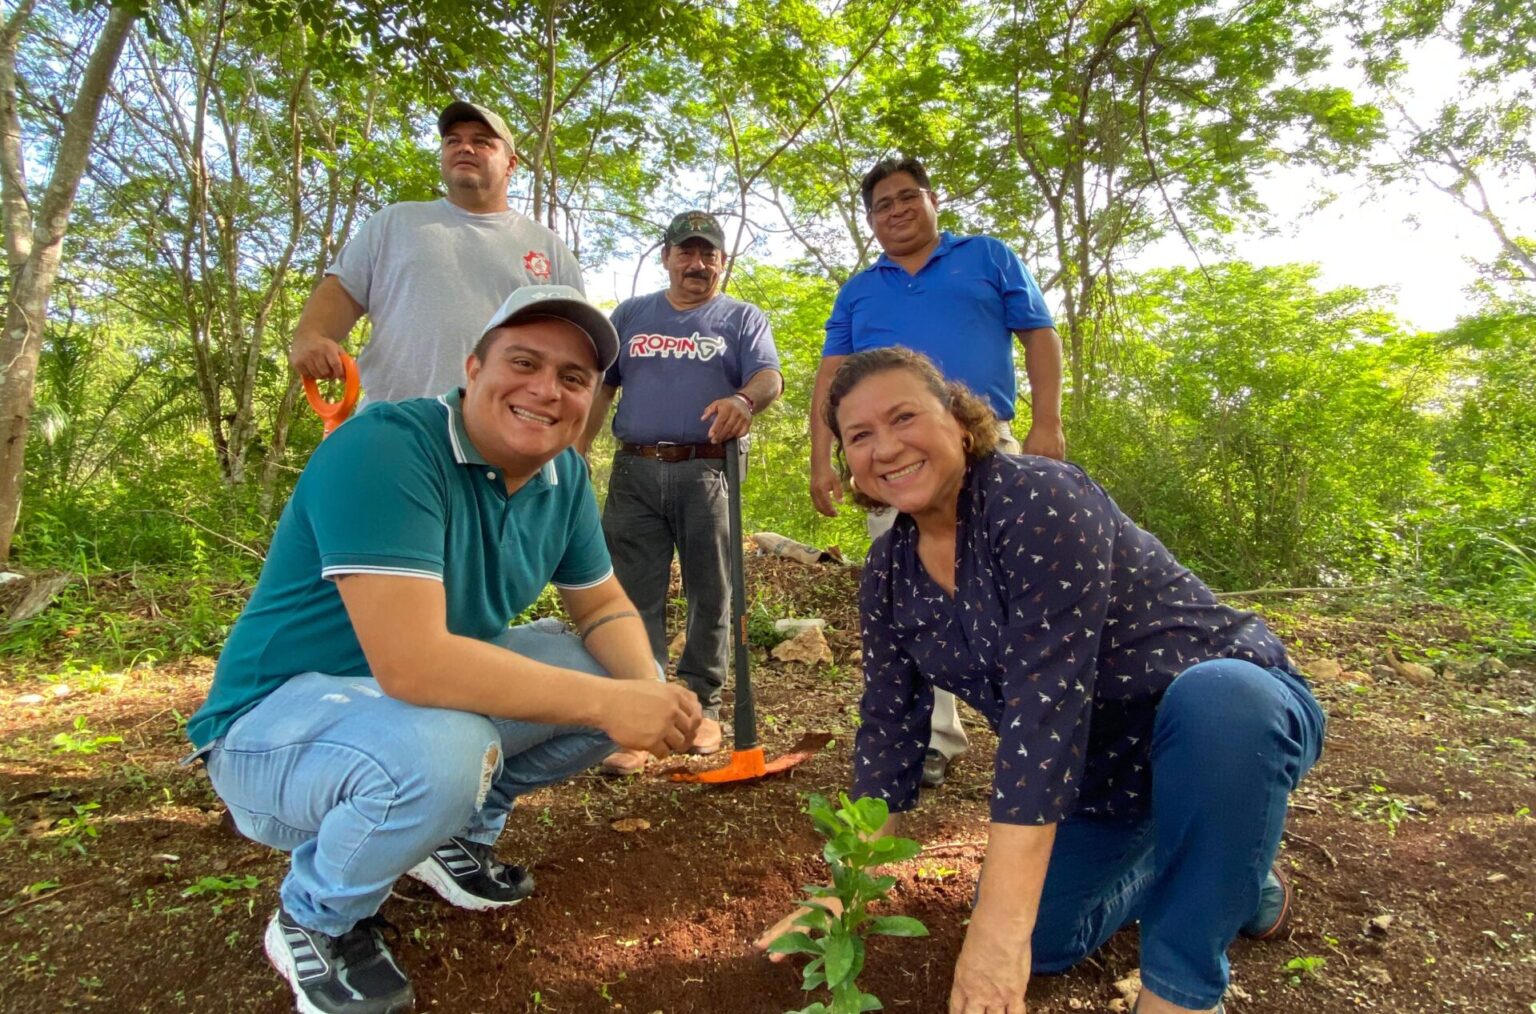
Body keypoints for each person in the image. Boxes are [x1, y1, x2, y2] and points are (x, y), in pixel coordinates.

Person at [762, 347, 1325, 1014]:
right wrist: (843, 889)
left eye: (903, 417)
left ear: (959, 421)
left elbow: (1043, 714)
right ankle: (1229, 869)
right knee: (1045, 938)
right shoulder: (889, 573)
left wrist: (997, 935)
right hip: (1103, 775)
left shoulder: (1039, 499)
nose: (885, 447)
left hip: (1225, 729)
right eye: (860, 436)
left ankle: (1183, 986)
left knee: (1222, 701)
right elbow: (889, 733)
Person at [188, 285, 702, 1014]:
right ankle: (315, 916)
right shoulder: (386, 448)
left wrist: (648, 691)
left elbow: (603, 606)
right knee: (452, 748)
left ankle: (450, 835)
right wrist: (613, 704)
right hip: (272, 731)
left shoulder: (563, 477)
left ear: (593, 399)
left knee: (615, 670)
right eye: (523, 362)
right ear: (473, 368)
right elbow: (414, 664)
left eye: (573, 377)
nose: (546, 390)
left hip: (404, 712)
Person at [808, 156, 1066, 788]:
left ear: (931, 201)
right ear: (871, 221)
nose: (896, 211)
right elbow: (830, 379)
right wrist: (821, 457)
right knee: (915, 593)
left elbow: (1039, 335)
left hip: (987, 439)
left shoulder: (988, 257)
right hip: (893, 461)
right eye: (882, 205)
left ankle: (1044, 725)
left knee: (1019, 579)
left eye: (907, 197)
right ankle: (931, 740)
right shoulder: (859, 289)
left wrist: (1048, 422)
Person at [578, 211, 783, 774]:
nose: (697, 264)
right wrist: (575, 450)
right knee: (629, 596)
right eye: (686, 252)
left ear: (721, 261)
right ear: (666, 256)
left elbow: (769, 376)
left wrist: (743, 400)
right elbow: (601, 388)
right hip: (634, 471)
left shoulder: (741, 318)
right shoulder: (631, 315)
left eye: (708, 254)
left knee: (711, 591)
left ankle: (701, 708)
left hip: (707, 471)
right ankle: (641, 714)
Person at [289, 100, 583, 404]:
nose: (464, 148)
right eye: (453, 141)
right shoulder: (394, 222)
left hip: (507, 426)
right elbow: (342, 292)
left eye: (481, 142)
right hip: (393, 417)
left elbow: (576, 353)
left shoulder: (549, 249)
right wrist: (311, 336)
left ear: (510, 164)